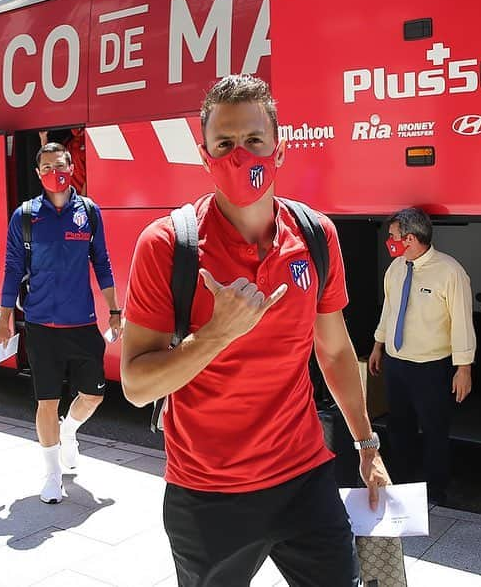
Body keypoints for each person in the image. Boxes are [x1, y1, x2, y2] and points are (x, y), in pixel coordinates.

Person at [121, 74, 389, 587]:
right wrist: (218, 334)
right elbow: (136, 385)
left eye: (253, 140)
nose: (240, 155)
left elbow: (333, 352)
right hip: (207, 497)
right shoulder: (167, 245)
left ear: (279, 148)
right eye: (224, 143)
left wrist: (367, 446)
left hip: (303, 480)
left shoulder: (315, 236)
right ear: (205, 156)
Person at [0, 142, 121, 504]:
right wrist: (5, 319)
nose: (54, 171)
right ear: (38, 175)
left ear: (71, 166)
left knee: (94, 395)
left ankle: (70, 431)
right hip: (41, 325)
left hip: (82, 323)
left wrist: (114, 310)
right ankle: (52, 476)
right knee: (46, 400)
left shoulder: (89, 212)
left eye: (60, 164)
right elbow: (11, 269)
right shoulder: (25, 216)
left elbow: (103, 263)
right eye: (47, 167)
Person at [368, 207, 476, 504]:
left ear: (410, 238)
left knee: (434, 430)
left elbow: (462, 322)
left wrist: (463, 368)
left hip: (432, 367)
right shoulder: (396, 268)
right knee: (399, 427)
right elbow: (389, 310)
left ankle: (435, 491)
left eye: (392, 236)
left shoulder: (450, 271)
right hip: (397, 364)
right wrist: (378, 346)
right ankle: (401, 486)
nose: (388, 241)